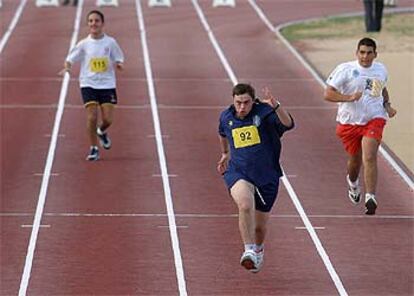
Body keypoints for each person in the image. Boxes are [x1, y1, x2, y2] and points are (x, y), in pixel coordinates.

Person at [217, 83, 294, 272]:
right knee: (244, 204)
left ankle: (258, 249)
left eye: (246, 102)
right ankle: (248, 250)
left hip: (267, 175)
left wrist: (276, 105)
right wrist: (225, 153)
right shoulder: (226, 116)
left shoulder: (265, 113)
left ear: (253, 101)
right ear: (233, 101)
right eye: (238, 103)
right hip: (238, 172)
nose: (242, 107)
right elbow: (222, 133)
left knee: (259, 228)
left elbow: (288, 124)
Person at [324, 37, 397, 215]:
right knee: (355, 161)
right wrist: (348, 98)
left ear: (375, 54)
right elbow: (328, 94)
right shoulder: (345, 69)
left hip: (374, 118)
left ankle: (370, 196)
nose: (365, 56)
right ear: (356, 53)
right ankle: (353, 183)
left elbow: (381, 88)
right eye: (362, 52)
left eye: (369, 53)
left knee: (370, 155)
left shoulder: (380, 69)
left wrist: (387, 105)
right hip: (349, 122)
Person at [59, 10, 124, 161]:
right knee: (92, 116)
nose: (93, 24)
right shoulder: (84, 44)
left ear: (102, 23)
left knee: (108, 120)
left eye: (96, 21)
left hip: (107, 84)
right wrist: (67, 67)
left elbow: (118, 57)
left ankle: (101, 132)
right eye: (91, 21)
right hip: (88, 83)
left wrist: (119, 64)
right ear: (88, 24)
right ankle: (94, 148)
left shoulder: (110, 42)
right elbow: (70, 58)